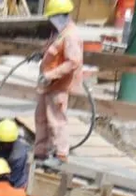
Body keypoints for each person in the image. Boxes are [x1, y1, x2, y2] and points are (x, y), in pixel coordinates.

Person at [34, 0, 83, 168]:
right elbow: (53, 51)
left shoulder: (71, 35)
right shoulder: (59, 32)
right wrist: (41, 55)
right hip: (47, 85)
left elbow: (73, 62)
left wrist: (51, 75)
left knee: (56, 121)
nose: (51, 20)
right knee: (41, 117)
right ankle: (40, 152)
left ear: (61, 16)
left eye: (52, 17)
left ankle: (60, 154)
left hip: (58, 85)